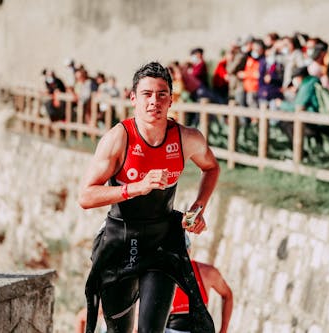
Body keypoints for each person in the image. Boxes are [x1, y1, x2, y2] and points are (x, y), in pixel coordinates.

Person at [79, 61, 220, 333]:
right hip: (121, 240)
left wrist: (198, 208)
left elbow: (211, 167)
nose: (154, 101)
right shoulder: (118, 138)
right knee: (118, 330)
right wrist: (137, 187)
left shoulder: (186, 138)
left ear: (171, 99)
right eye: (146, 94)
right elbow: (85, 196)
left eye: (162, 94)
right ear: (133, 98)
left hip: (162, 241)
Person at [165, 236, 233, 333]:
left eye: (183, 253)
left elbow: (228, 295)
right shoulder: (161, 276)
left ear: (189, 251)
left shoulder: (207, 273)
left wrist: (223, 330)